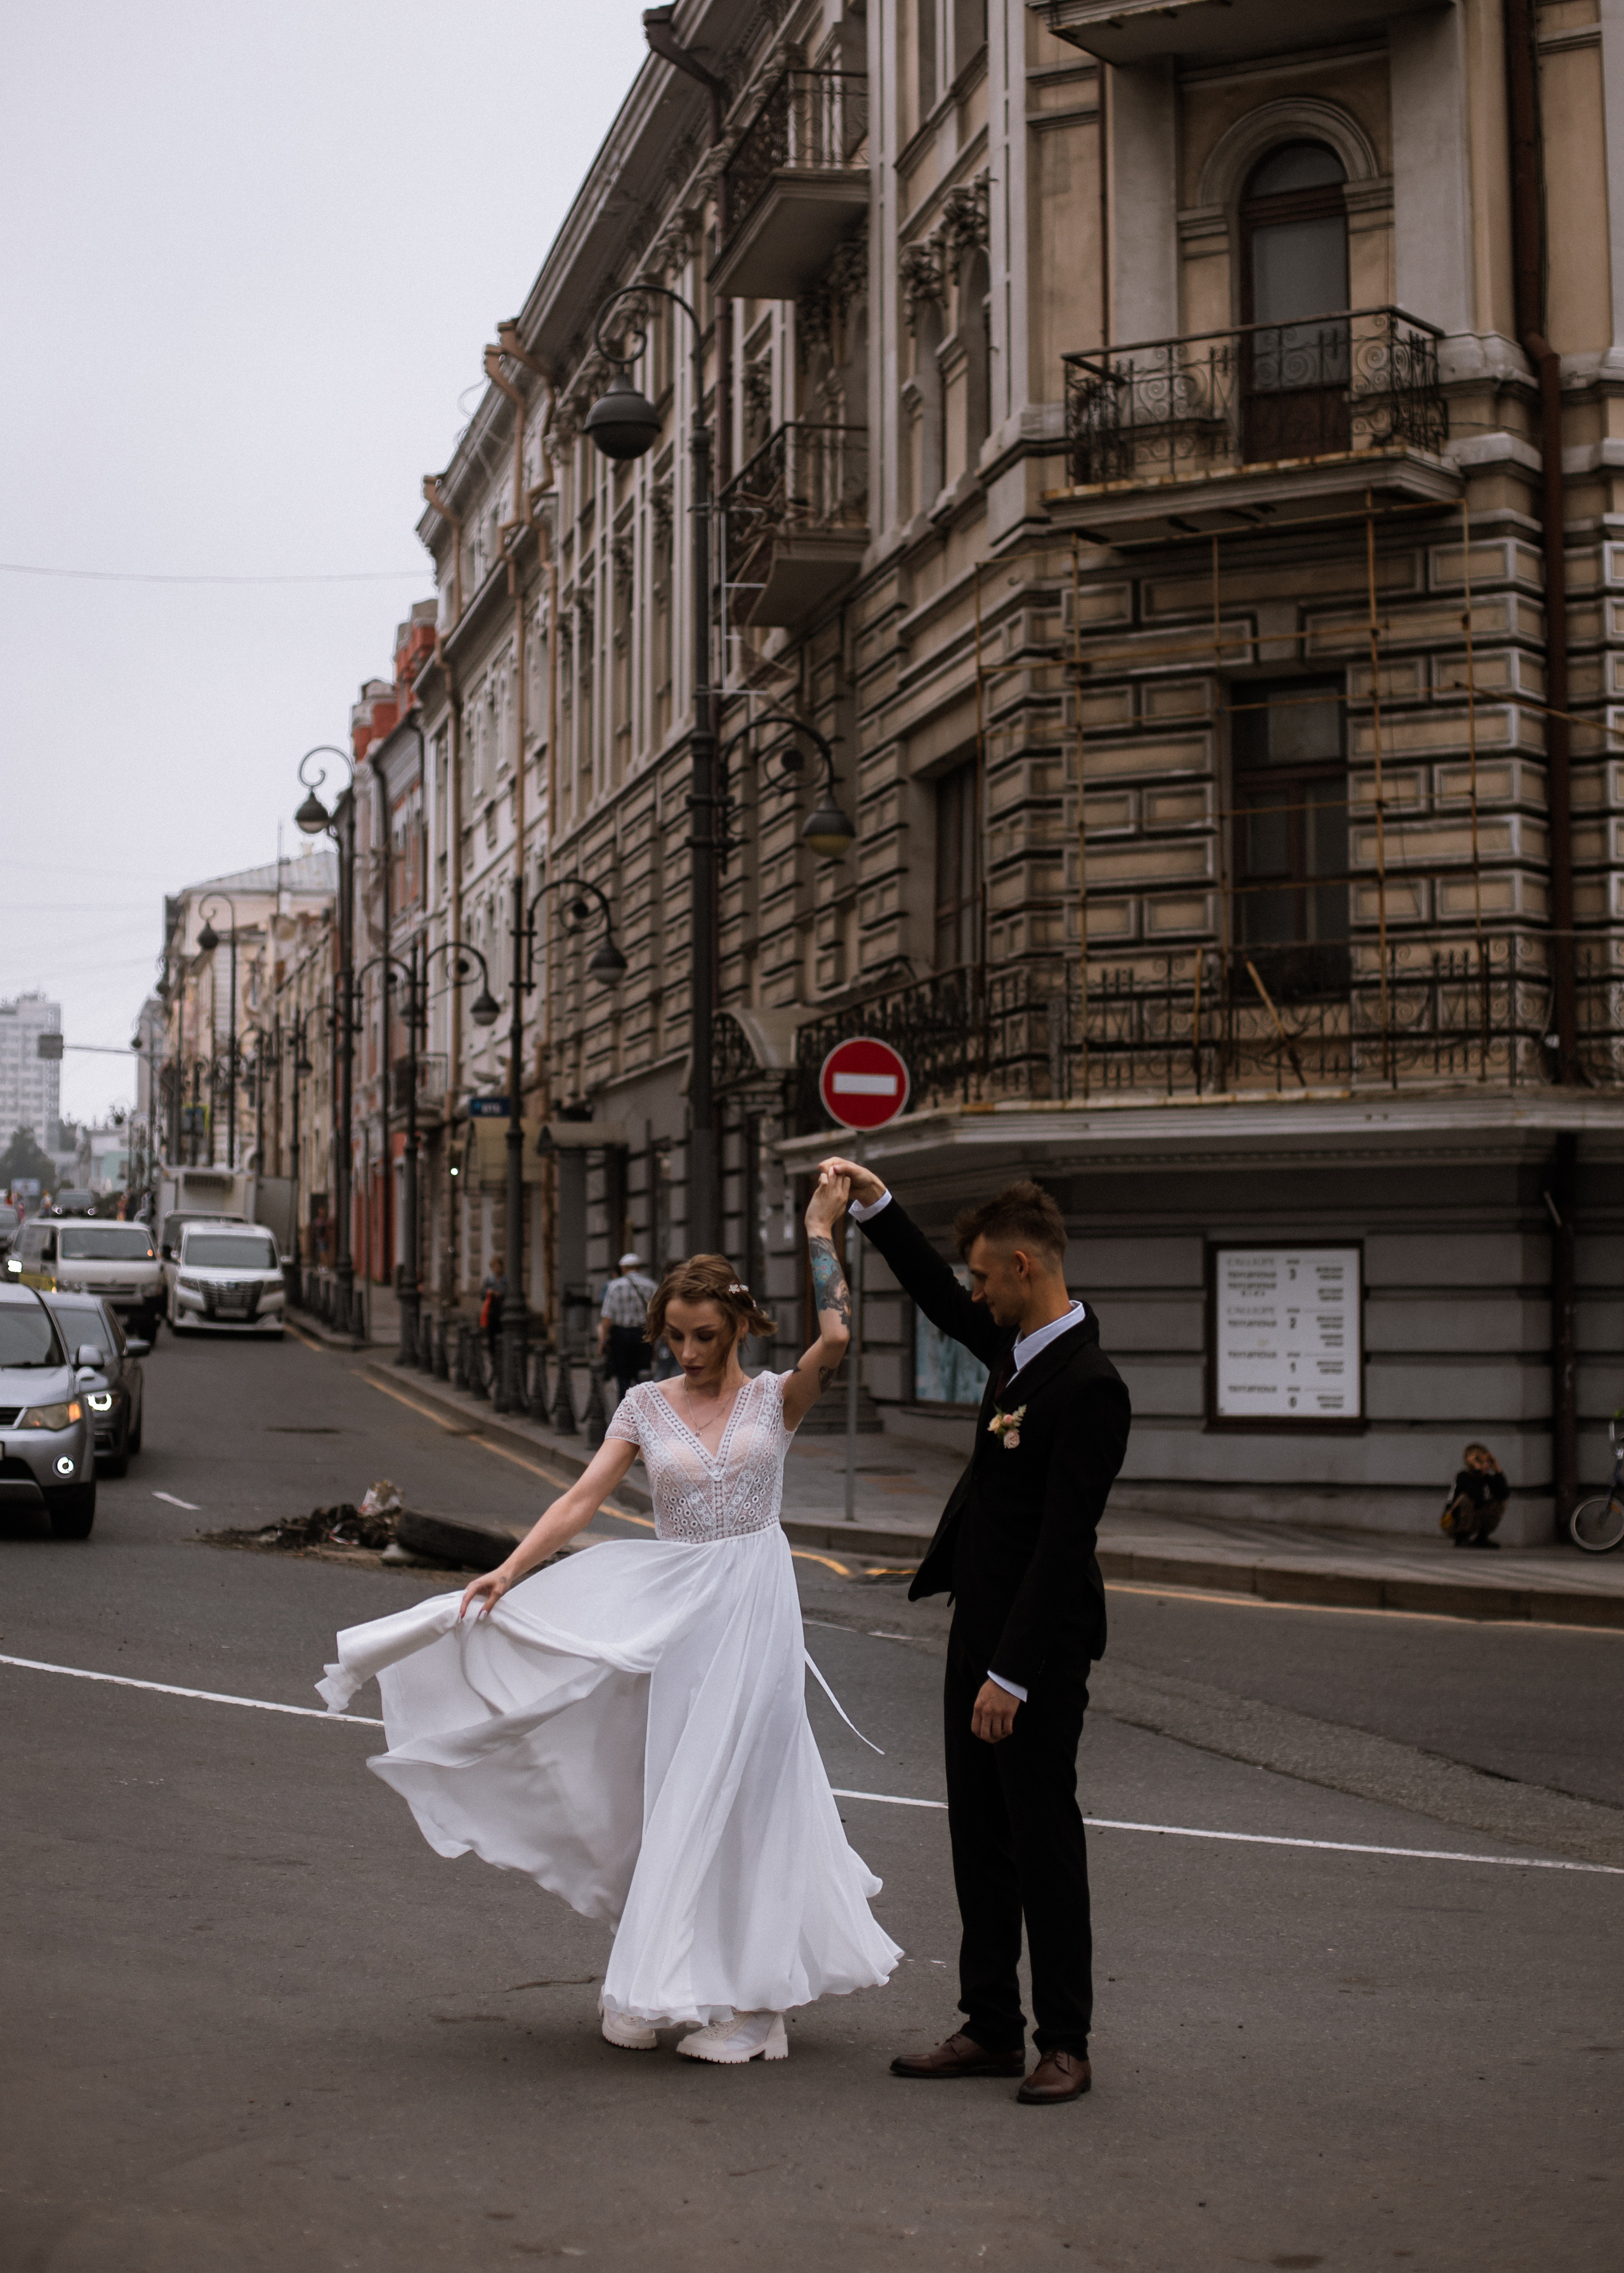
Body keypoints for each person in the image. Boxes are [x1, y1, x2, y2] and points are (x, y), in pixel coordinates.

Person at [316, 1165, 900, 2065]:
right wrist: (510, 1569)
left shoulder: (774, 1397)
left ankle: (760, 2010)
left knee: (750, 1789)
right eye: (674, 1335)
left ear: (738, 1326)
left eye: (705, 1336)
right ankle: (669, 1976)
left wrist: (822, 1228)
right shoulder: (644, 1405)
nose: (688, 1352)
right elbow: (582, 1497)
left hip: (757, 1608)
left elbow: (838, 1333)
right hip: (679, 1616)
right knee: (676, 1791)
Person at [822, 1160, 1130, 2107]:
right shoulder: (1015, 1347)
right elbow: (934, 1295)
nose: (976, 1292)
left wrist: (1013, 1674)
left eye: (987, 1276)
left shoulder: (1090, 1385)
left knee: (1043, 1843)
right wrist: (875, 1206)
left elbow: (1062, 1545)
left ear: (1025, 1267)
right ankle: (991, 2024)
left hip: (1034, 1654)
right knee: (978, 1839)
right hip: (978, 1633)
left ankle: (1064, 2041)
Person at [598, 1249, 657, 1404]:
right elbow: (657, 1314)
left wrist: (603, 1340)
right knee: (643, 1374)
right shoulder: (651, 1286)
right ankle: (642, 1405)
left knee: (622, 1375)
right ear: (640, 1267)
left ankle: (625, 1406)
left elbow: (607, 1316)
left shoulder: (614, 1286)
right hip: (643, 1334)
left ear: (623, 1268)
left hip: (621, 1335)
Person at [1443, 1443, 1508, 1549]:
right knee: (1467, 1498)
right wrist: (1477, 1470)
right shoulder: (1462, 1476)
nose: (1485, 1465)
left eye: (1487, 1461)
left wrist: (1497, 1469)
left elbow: (1504, 1494)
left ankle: (1481, 1538)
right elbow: (1476, 1496)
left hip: (1474, 1518)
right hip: (1451, 1522)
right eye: (1481, 1462)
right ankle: (1461, 1538)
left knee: (1500, 1502)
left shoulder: (1486, 1477)